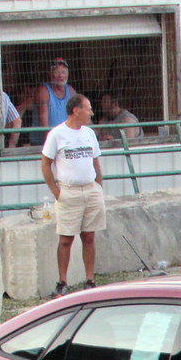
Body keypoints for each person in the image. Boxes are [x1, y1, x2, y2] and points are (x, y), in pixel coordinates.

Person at [41, 95, 105, 296]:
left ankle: (90, 279)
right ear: (76, 110)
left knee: (89, 235)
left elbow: (95, 161)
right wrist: (55, 190)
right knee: (66, 238)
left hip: (90, 188)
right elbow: (45, 163)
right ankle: (63, 281)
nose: (91, 113)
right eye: (88, 109)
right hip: (68, 191)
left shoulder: (89, 133)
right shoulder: (57, 134)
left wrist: (98, 186)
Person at [34, 58, 76, 143]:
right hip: (44, 143)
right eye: (57, 72)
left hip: (66, 141)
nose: (61, 75)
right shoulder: (43, 91)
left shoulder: (71, 90)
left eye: (63, 72)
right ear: (50, 74)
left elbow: (79, 114)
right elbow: (44, 125)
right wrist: (51, 144)